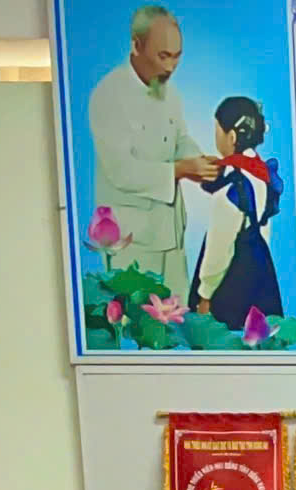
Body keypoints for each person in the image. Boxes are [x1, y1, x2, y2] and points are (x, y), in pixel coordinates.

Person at [88, 5, 220, 301]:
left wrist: (199, 162)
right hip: (132, 240)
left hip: (170, 232)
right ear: (137, 46)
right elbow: (120, 170)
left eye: (177, 56)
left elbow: (180, 139)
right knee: (137, 319)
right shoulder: (109, 94)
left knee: (176, 316)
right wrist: (181, 170)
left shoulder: (168, 90)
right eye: (163, 56)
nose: (171, 67)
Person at [189, 96, 284, 329]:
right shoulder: (263, 175)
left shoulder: (231, 189)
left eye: (217, 131)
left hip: (231, 282)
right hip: (260, 274)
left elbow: (219, 250)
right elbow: (265, 230)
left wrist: (205, 295)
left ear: (231, 136)